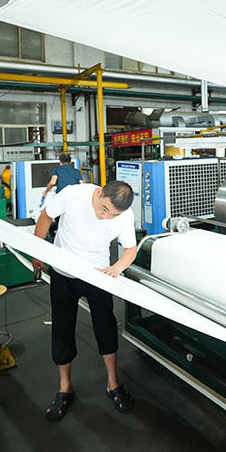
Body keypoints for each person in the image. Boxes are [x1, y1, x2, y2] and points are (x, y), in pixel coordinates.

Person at [32, 180, 138, 422]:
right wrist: (37, 251)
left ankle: (113, 383)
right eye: (104, 209)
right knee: (62, 327)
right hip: (63, 273)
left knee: (106, 327)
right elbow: (46, 217)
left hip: (97, 275)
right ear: (99, 192)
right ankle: (65, 387)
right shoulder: (72, 194)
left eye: (113, 215)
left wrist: (117, 268)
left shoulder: (124, 214)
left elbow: (130, 249)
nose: (105, 216)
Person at [41, 153, 83, 239]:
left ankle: (55, 235)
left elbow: (52, 182)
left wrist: (46, 192)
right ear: (70, 162)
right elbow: (82, 184)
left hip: (62, 197)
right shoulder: (76, 171)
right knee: (72, 216)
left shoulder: (57, 170)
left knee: (58, 216)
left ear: (60, 162)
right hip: (74, 198)